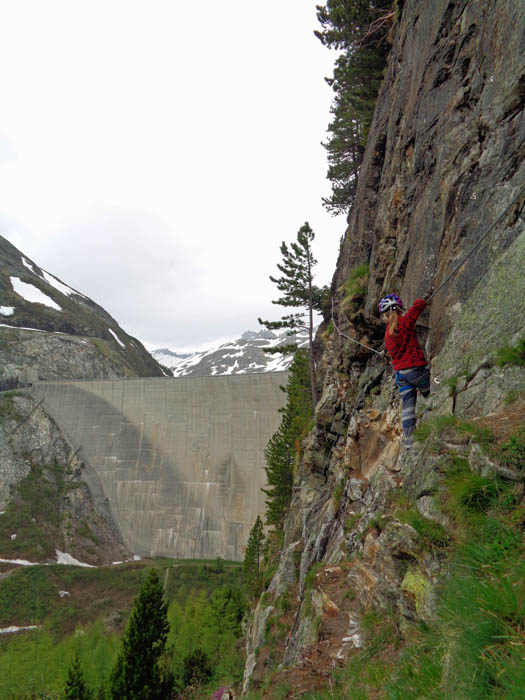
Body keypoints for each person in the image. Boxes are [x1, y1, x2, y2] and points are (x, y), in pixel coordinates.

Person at [379, 294, 430, 449]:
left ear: (385, 314)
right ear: (399, 309)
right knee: (436, 386)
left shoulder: (388, 333)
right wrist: (424, 299)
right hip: (416, 370)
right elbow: (416, 308)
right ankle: (437, 414)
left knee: (408, 408)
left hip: (401, 376)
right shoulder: (403, 322)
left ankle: (409, 442)